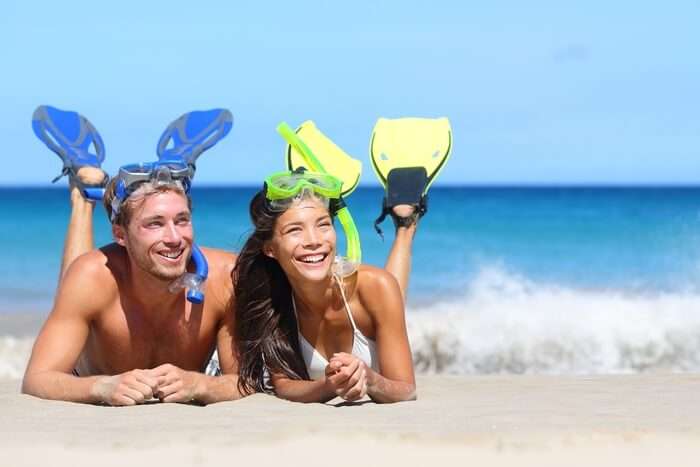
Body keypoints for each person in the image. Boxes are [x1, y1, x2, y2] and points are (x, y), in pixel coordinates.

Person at [22, 107, 241, 405]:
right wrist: (102, 387)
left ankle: (168, 175)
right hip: (91, 372)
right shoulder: (94, 277)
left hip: (198, 375)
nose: (175, 238)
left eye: (182, 220)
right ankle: (85, 191)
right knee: (81, 274)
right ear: (120, 235)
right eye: (155, 224)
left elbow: (246, 381)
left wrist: (201, 385)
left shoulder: (224, 276)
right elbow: (38, 378)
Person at [232, 170, 417, 403]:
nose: (314, 241)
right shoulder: (271, 300)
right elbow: (283, 385)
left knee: (390, 289)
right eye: (294, 230)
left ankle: (406, 225)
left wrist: (370, 379)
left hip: (372, 289)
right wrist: (329, 386)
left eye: (323, 225)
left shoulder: (374, 286)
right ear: (270, 249)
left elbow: (407, 389)